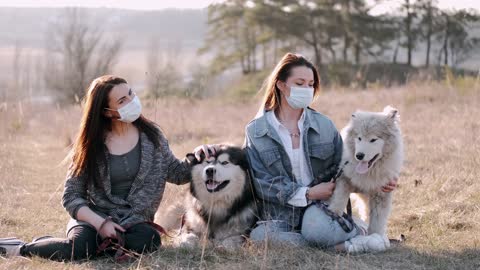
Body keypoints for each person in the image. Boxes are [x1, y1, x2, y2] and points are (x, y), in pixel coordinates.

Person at [0, 75, 213, 261]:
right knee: (80, 249)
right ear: (107, 112)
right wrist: (101, 224)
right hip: (94, 219)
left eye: (131, 94)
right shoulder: (90, 145)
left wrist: (198, 157)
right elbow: (72, 196)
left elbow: (176, 173)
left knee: (148, 241)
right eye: (122, 100)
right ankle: (20, 248)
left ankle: (100, 245)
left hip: (135, 224)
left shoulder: (152, 136)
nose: (132, 101)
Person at [244, 53, 397, 253]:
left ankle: (348, 230)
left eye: (310, 84)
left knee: (315, 230)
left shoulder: (324, 125)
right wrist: (306, 193)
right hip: (279, 212)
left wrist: (382, 181)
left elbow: (346, 169)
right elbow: (261, 182)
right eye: (299, 83)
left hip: (320, 208)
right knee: (260, 238)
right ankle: (353, 243)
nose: (307, 90)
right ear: (281, 85)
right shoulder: (256, 130)